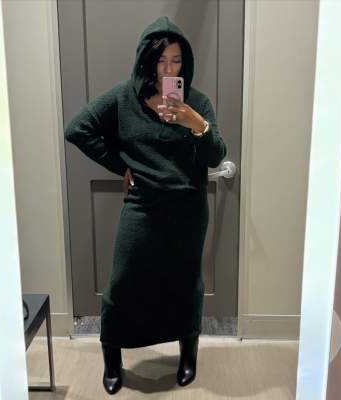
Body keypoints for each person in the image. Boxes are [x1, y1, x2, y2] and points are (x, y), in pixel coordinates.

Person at [64, 16, 227, 395]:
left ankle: (188, 355)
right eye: (161, 61)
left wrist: (196, 124)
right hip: (142, 208)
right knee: (122, 284)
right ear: (147, 60)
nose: (169, 69)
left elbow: (216, 155)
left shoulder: (197, 103)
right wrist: (121, 166)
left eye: (176, 61)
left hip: (188, 212)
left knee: (185, 284)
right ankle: (112, 360)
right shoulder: (124, 98)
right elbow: (77, 129)